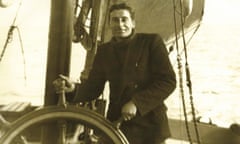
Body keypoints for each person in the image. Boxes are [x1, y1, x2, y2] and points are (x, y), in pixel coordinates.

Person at [54, 2, 176, 144]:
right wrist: (73, 89)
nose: (120, 24)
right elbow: (94, 87)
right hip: (118, 123)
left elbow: (168, 81)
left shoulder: (151, 43)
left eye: (124, 19)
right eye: (115, 20)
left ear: (133, 23)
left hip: (150, 126)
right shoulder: (104, 51)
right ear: (109, 24)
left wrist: (136, 103)